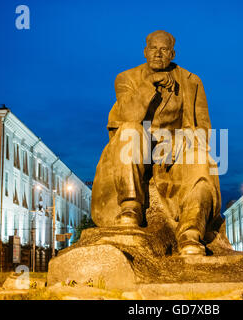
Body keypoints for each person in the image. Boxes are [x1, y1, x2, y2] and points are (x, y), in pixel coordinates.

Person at [91, 30, 222, 256]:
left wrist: (180, 142)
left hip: (176, 152)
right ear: (145, 51)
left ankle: (190, 233)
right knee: (130, 130)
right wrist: (149, 85)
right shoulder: (126, 78)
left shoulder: (192, 82)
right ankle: (130, 207)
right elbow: (127, 115)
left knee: (203, 160)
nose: (158, 54)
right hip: (134, 149)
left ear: (172, 53)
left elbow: (203, 129)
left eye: (164, 50)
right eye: (153, 48)